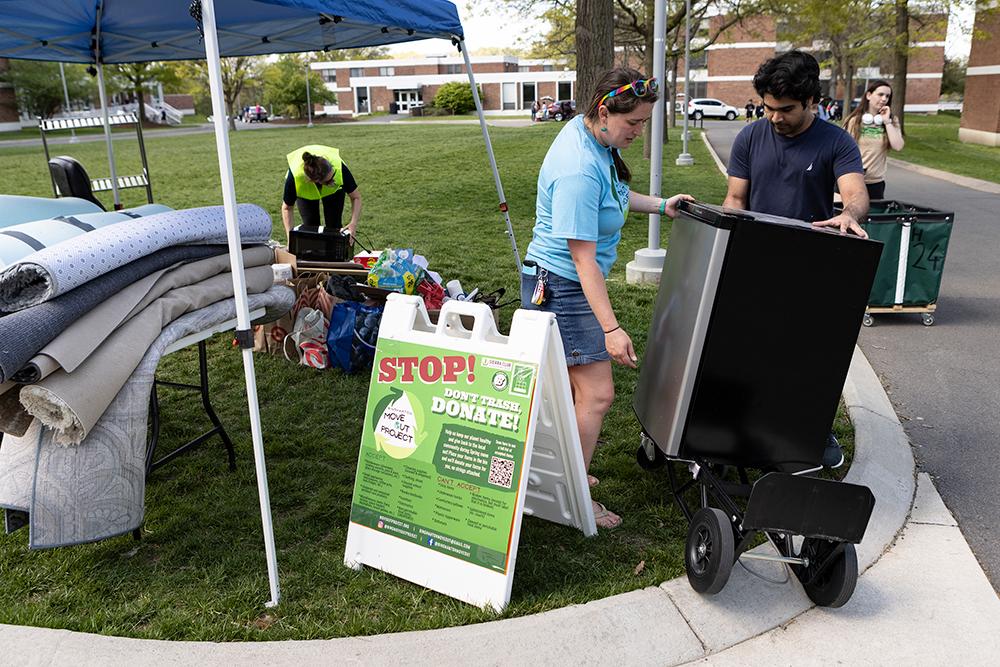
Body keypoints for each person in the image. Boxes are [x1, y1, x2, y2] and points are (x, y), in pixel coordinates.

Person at [520, 67, 694, 529]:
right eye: (634, 123)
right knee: (597, 395)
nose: (639, 132)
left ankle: (563, 469)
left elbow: (612, 195)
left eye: (643, 122)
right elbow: (583, 263)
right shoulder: (578, 167)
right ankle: (573, 498)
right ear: (603, 112)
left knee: (572, 392)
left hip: (562, 281)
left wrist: (660, 205)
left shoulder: (593, 139)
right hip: (564, 286)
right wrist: (612, 330)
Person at [723, 50, 869, 469]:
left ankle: (812, 429)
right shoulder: (750, 136)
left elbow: (856, 195)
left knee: (805, 355)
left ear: (810, 102)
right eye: (768, 107)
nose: (774, 117)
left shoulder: (835, 141)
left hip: (809, 266)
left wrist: (849, 213)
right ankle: (736, 428)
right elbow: (736, 198)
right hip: (755, 260)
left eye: (785, 109)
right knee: (748, 348)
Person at [281, 145, 362, 244]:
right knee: (310, 228)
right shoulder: (295, 178)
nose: (333, 181)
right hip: (305, 188)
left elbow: (356, 197)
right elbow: (287, 208)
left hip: (334, 192)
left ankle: (334, 256)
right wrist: (290, 239)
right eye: (328, 181)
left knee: (334, 226)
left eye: (333, 175)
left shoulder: (339, 169)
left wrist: (353, 223)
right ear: (315, 181)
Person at [843, 80, 905, 201]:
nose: (884, 99)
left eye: (887, 96)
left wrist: (887, 121)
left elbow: (898, 146)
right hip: (851, 180)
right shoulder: (853, 121)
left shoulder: (892, 121)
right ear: (868, 95)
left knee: (871, 219)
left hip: (875, 183)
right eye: (880, 94)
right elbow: (841, 151)